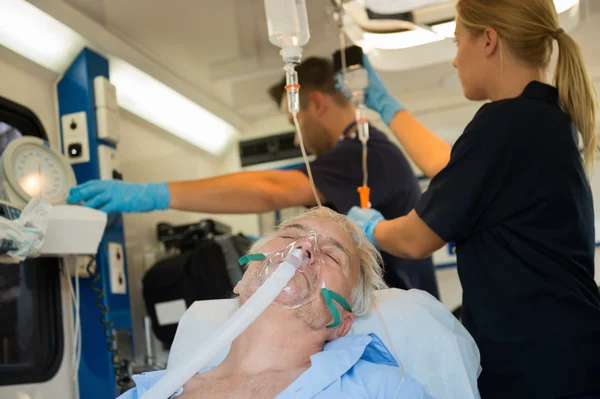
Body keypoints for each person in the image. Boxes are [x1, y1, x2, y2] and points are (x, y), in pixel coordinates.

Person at [348, 0, 600, 398]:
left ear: (488, 41)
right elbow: (453, 169)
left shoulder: (502, 124)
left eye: (457, 42)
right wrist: (386, 106)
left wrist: (366, 229)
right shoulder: (545, 120)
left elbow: (415, 239)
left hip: (536, 371)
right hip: (569, 359)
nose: (454, 60)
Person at [66, 57, 440, 298]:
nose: (297, 138)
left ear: (316, 104)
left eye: (293, 122)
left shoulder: (363, 153)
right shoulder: (361, 152)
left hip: (397, 318)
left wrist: (153, 194)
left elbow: (271, 189)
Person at [117, 207, 433, 398]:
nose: (304, 248)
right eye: (288, 236)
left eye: (332, 255)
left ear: (341, 323)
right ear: (242, 279)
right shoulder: (154, 392)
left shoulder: (382, 390)